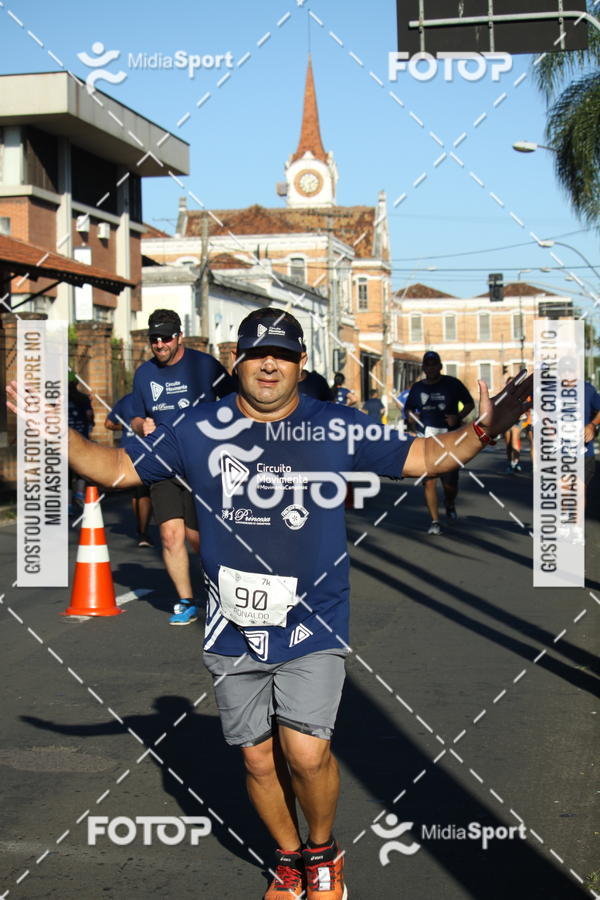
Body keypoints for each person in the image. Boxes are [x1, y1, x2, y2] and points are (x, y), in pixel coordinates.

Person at [46, 307, 532, 900]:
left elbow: (424, 459)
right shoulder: (200, 427)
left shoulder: (334, 424)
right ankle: (288, 857)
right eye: (255, 354)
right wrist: (55, 432)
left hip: (313, 617)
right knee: (256, 762)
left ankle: (323, 854)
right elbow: (118, 468)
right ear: (237, 362)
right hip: (232, 623)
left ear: (301, 364)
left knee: (305, 752)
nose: (268, 364)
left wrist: (485, 428)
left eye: (281, 354)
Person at [129, 308, 235, 625]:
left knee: (196, 538)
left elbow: (234, 402)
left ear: (179, 338)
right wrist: (140, 425)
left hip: (202, 465)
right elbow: (134, 415)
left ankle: (222, 595)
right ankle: (185, 601)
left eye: (165, 338)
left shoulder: (204, 366)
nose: (159, 344)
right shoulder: (144, 374)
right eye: (154, 339)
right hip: (163, 464)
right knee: (170, 536)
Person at [404, 351, 475, 534]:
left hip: (449, 438)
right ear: (424, 368)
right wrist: (412, 417)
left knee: (450, 484)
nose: (431, 368)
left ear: (440, 366)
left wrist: (457, 417)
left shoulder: (452, 384)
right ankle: (435, 521)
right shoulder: (418, 388)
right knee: (428, 481)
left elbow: (469, 404)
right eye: (427, 365)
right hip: (426, 439)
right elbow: (409, 409)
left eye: (434, 364)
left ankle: (449, 502)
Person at [105, 392, 153, 547]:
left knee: (137, 492)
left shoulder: (125, 400)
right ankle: (143, 533)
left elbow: (108, 423)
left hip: (127, 450)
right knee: (144, 491)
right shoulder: (152, 397)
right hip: (146, 448)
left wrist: (125, 425)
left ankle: (141, 529)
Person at [67, 374, 95, 514]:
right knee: (80, 468)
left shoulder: (57, 400)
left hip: (64, 440)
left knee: (66, 471)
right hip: (81, 438)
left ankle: (67, 504)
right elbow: (90, 415)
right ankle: (79, 493)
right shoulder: (83, 399)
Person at [584, 379, 600, 495]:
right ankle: (564, 514)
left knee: (579, 490)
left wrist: (592, 425)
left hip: (584, 450)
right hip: (561, 450)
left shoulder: (587, 389)